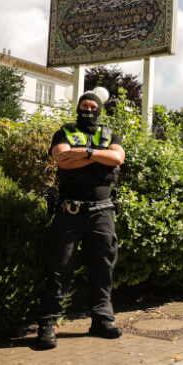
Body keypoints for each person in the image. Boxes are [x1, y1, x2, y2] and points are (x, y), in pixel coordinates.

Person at [37, 89, 126, 350]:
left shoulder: (110, 134)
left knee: (103, 268)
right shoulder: (63, 131)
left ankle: (102, 320)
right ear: (78, 108)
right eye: (84, 106)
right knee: (58, 268)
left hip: (102, 211)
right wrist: (99, 156)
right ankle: (47, 324)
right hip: (69, 212)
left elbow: (117, 157)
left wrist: (84, 154)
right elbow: (63, 160)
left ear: (100, 110)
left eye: (92, 107)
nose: (88, 110)